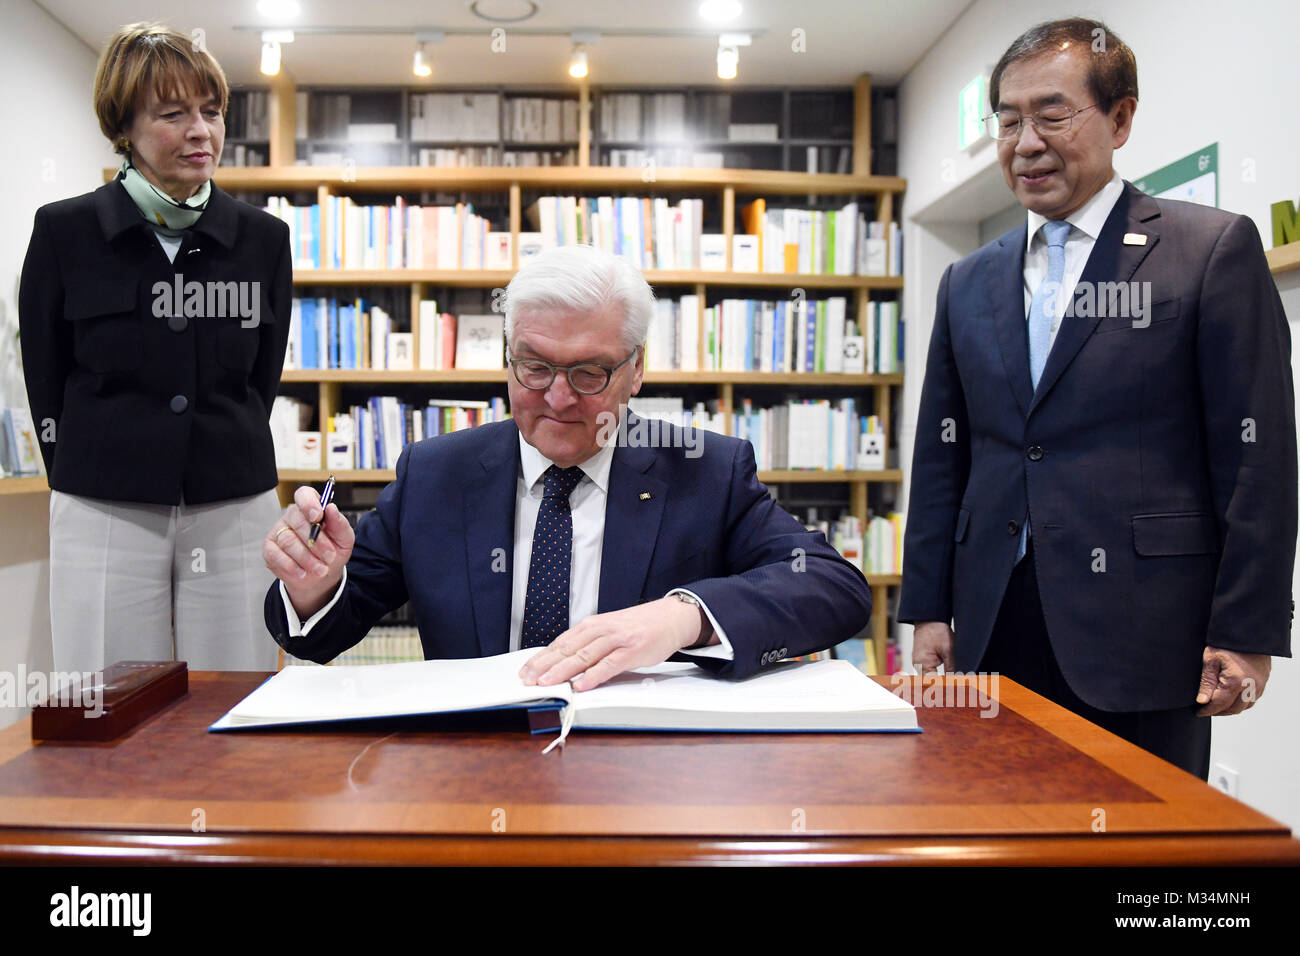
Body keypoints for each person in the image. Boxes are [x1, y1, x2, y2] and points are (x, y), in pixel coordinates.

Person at [898, 17, 1295, 779]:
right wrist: (927, 607)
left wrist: (1245, 629)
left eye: (1053, 114)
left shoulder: (1207, 250)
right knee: (990, 828)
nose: (1026, 141)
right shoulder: (969, 278)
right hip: (991, 620)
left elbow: (1259, 460)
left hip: (1146, 627)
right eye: (1008, 120)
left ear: (1120, 119)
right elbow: (944, 453)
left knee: (1139, 851)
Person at [263, 244, 871, 687]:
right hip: (474, 772)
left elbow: (834, 587)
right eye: (535, 367)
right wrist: (312, 588)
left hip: (645, 777)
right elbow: (316, 637)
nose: (557, 398)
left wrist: (685, 615)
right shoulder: (435, 474)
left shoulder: (705, 471)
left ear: (636, 371)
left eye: (588, 373)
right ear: (507, 359)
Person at [19, 23, 292, 673]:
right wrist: (86, 472)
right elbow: (46, 374)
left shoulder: (263, 239)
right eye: (173, 114)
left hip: (232, 498)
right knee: (110, 702)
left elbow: (262, 377)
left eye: (212, 111)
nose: (201, 131)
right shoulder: (65, 232)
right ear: (125, 128)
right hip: (103, 500)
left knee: (235, 694)